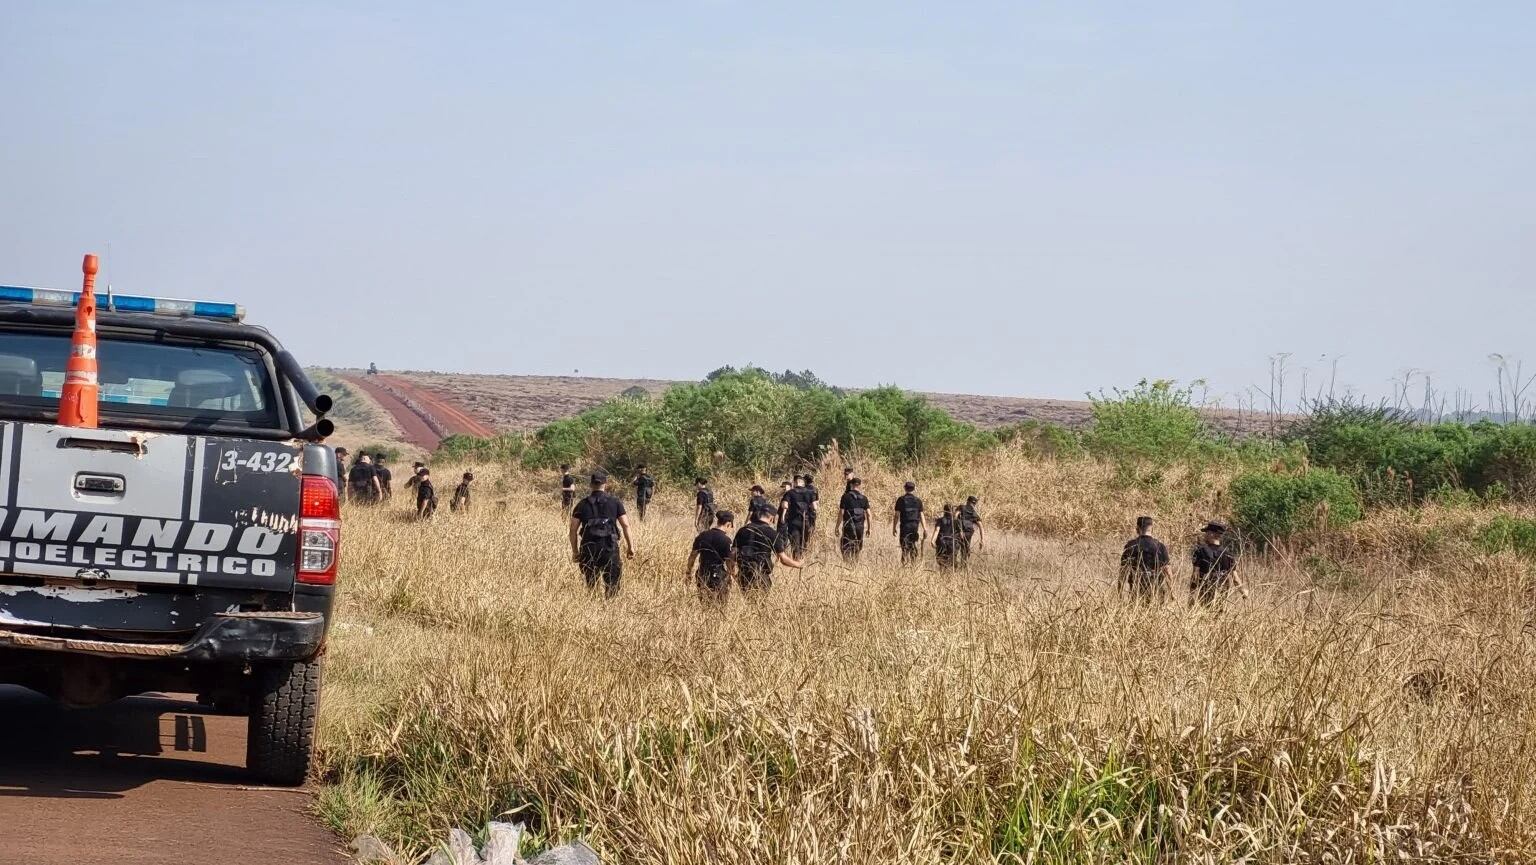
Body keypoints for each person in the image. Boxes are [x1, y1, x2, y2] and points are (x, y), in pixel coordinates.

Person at [570, 471, 635, 598]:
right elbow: (626, 525)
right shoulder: (615, 502)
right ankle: (610, 608)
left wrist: (575, 551)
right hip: (609, 547)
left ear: (591, 485)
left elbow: (573, 529)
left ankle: (593, 606)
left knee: (591, 584)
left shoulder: (582, 504)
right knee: (612, 583)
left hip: (589, 547)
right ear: (605, 484)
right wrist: (630, 546)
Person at [733, 505, 804, 597]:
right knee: (760, 605)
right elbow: (782, 559)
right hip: (760, 575)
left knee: (748, 603)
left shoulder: (743, 530)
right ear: (771, 518)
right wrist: (798, 564)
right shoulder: (771, 533)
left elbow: (732, 554)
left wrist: (733, 573)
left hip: (743, 574)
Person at [688, 510, 736, 606]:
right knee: (720, 605)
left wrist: (688, 572)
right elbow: (729, 562)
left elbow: (692, 556)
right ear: (728, 524)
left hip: (702, 573)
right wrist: (733, 576)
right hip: (717, 575)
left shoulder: (702, 536)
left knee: (705, 604)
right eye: (731, 527)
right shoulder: (726, 540)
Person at [1191, 520, 1246, 605]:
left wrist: (1192, 595)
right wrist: (1243, 592)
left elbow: (1195, 575)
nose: (1205, 535)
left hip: (1205, 592)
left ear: (1211, 534)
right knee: (1219, 614)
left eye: (1207, 532)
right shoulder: (1228, 553)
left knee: (1205, 614)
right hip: (1222, 591)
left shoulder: (1200, 551)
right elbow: (1235, 578)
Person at [1119, 515, 1171, 602]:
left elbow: (1123, 572)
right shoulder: (1160, 546)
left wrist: (1120, 593)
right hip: (1156, 591)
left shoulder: (1130, 545)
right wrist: (1172, 592)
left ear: (1137, 528)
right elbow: (1168, 572)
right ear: (1151, 528)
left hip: (1137, 590)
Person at [837, 477, 872, 563]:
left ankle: (846, 564)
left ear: (851, 485)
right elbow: (869, 514)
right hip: (860, 527)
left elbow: (841, 512)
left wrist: (837, 526)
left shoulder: (845, 497)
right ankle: (855, 565)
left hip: (848, 526)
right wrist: (869, 528)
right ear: (859, 485)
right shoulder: (864, 498)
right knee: (857, 548)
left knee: (845, 547)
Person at [892, 481, 926, 565]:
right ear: (914, 489)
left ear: (905, 488)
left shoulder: (901, 500)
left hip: (905, 526)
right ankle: (913, 563)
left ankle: (904, 564)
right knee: (913, 544)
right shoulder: (918, 501)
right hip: (915, 526)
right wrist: (925, 529)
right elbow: (922, 515)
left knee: (904, 546)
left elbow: (896, 515)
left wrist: (894, 527)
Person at [780, 475, 814, 557]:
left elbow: (785, 505)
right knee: (804, 543)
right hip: (806, 521)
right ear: (803, 483)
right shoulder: (810, 492)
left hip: (794, 521)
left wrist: (783, 516)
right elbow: (814, 507)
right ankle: (803, 559)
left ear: (795, 483)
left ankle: (796, 560)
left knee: (795, 544)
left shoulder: (789, 493)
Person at [933, 504, 964, 570]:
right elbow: (961, 535)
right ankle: (951, 574)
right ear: (952, 511)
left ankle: (942, 574)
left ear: (944, 510)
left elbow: (937, 530)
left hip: (942, 542)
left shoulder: (940, 520)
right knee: (952, 559)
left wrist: (932, 540)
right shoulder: (957, 521)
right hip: (952, 543)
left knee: (941, 559)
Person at [958, 496, 984, 562]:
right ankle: (963, 564)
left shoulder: (961, 507)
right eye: (974, 503)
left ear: (967, 501)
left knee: (961, 550)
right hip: (966, 533)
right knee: (965, 550)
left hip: (959, 532)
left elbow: (955, 517)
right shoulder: (973, 512)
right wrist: (982, 539)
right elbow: (981, 526)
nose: (973, 505)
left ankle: (962, 565)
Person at [803, 473, 820, 544]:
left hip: (805, 511)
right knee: (812, 527)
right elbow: (817, 501)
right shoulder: (815, 489)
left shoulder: (804, 489)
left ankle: (805, 542)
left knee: (805, 528)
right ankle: (810, 542)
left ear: (805, 481)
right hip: (813, 511)